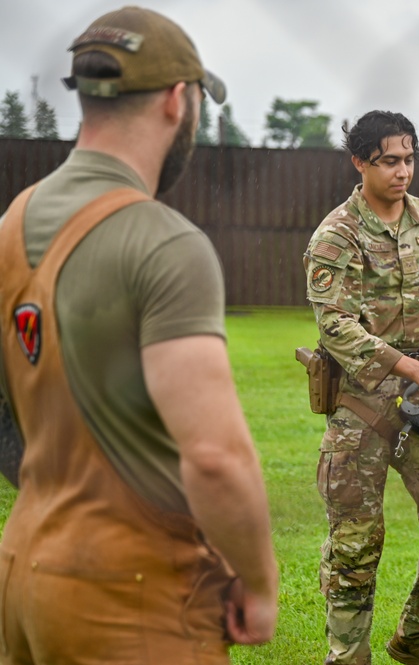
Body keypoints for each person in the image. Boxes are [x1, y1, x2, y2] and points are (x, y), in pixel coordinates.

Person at [0, 7, 278, 663]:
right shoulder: (164, 242)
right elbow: (214, 455)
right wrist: (260, 583)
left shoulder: (12, 223)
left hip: (24, 571)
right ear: (178, 101)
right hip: (132, 596)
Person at [303, 110, 419, 665]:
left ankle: (414, 643)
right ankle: (347, 656)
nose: (403, 171)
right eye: (390, 160)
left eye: (409, 158)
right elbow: (335, 326)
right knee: (355, 547)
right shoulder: (337, 234)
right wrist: (410, 369)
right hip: (362, 401)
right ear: (360, 161)